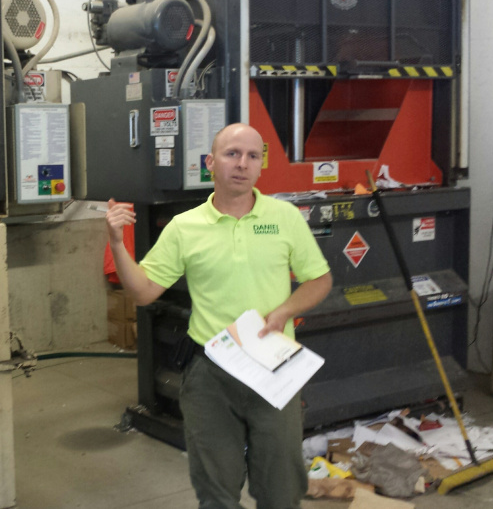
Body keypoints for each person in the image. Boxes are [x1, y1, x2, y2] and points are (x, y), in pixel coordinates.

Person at [106, 123, 332, 508]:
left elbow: (319, 280)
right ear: (210, 163)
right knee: (216, 492)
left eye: (252, 156)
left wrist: (284, 312)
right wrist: (116, 244)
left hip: (273, 370)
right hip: (210, 373)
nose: (242, 164)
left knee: (282, 491)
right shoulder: (185, 227)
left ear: (261, 166)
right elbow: (142, 293)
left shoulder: (284, 217)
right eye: (231, 154)